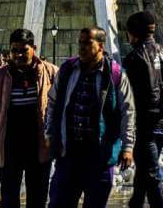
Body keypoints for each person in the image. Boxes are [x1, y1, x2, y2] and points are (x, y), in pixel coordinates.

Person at [46, 27, 135, 207]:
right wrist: (49, 133)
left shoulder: (115, 74)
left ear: (100, 46)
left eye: (87, 43)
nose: (82, 47)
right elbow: (53, 102)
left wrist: (128, 146)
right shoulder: (68, 70)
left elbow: (128, 111)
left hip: (99, 156)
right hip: (69, 154)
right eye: (80, 42)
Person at [0, 29, 58, 208]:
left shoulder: (51, 73)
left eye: (24, 50)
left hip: (39, 148)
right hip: (9, 148)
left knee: (38, 199)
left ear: (34, 48)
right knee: (9, 199)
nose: (19, 55)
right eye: (14, 50)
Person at [123, 12, 163, 208]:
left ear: (133, 33)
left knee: (151, 175)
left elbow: (131, 98)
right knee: (144, 171)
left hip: (145, 124)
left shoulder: (135, 57)